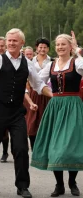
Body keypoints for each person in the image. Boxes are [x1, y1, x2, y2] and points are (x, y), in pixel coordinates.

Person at [0, 17, 52, 198]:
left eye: (14, 41)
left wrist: (53, 95)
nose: (10, 43)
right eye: (9, 41)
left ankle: (23, 186)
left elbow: (39, 84)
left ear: (22, 43)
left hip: (17, 112)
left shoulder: (28, 63)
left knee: (21, 149)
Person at [31, 32, 82, 197]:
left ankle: (72, 182)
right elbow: (36, 80)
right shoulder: (51, 65)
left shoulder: (76, 63)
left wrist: (77, 50)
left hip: (73, 106)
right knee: (54, 147)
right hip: (55, 106)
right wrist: (48, 93)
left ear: (69, 46)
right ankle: (59, 184)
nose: (60, 47)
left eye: (63, 44)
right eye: (58, 45)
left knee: (71, 146)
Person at [25, 38, 52, 150]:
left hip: (47, 93)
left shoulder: (52, 61)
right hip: (33, 93)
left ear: (48, 49)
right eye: (40, 47)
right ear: (36, 48)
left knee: (45, 119)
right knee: (32, 120)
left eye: (45, 47)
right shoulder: (30, 61)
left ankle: (46, 145)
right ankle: (33, 145)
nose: (42, 49)